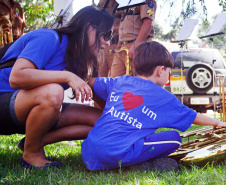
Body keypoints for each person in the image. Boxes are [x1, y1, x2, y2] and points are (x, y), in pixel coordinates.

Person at [81, 41, 226, 172]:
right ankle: (139, 165)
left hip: (89, 151)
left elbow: (93, 82)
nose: (168, 77)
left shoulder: (121, 81)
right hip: (117, 153)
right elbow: (193, 116)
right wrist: (217, 122)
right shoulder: (164, 97)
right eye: (168, 73)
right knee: (175, 139)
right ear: (160, 70)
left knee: (145, 134)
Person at [0, 5, 114, 169]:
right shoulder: (49, 38)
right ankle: (31, 155)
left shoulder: (83, 62)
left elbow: (105, 108)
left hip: (29, 109)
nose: (108, 42)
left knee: (101, 121)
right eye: (106, 34)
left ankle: (33, 143)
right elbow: (17, 77)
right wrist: (67, 76)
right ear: (90, 28)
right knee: (53, 92)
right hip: (5, 101)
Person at [110, 0, 157, 77]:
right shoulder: (126, 2)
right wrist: (119, 45)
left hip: (138, 46)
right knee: (115, 81)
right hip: (123, 47)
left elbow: (148, 23)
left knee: (137, 81)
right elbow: (123, 23)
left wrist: (136, 45)